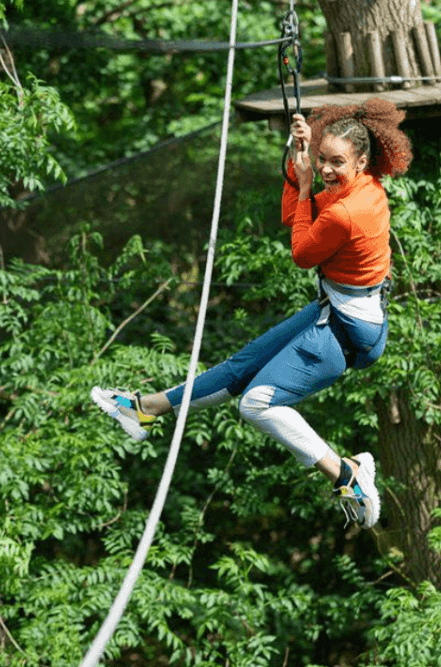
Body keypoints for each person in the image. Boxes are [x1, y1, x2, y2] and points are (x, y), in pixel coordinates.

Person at [91, 98, 413, 529]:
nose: (327, 170)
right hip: (337, 311)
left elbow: (301, 252)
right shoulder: (360, 187)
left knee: (256, 404)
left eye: (337, 162)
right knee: (241, 367)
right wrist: (296, 155)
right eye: (322, 159)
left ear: (362, 162)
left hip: (346, 331)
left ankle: (348, 474)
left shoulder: (346, 210)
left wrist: (302, 185)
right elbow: (293, 215)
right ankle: (144, 409)